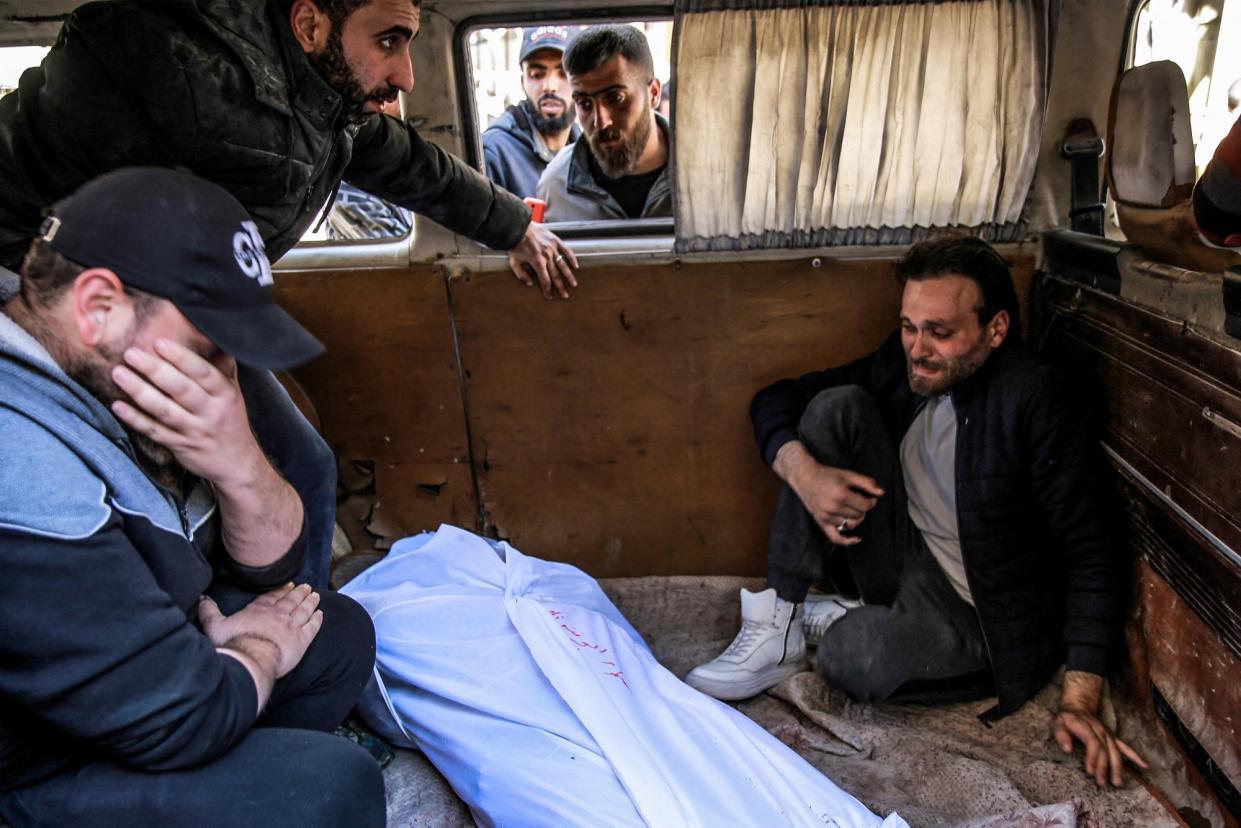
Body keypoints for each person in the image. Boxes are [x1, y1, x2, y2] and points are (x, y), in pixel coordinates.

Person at [686, 236, 1148, 788]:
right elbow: (776, 398)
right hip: (903, 552)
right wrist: (805, 476)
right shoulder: (903, 360)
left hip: (972, 612)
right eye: (909, 326)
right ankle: (781, 625)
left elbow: (1092, 550)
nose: (917, 348)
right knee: (835, 408)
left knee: (849, 656)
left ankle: (846, 619)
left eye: (940, 332)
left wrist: (1080, 698)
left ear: (995, 330)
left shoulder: (1035, 400)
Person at [0, 168, 384, 827]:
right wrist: (255, 651)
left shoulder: (107, 385)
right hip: (26, 761)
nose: (220, 378)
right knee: (326, 789)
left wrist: (239, 465)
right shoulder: (19, 458)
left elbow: (272, 572)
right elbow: (183, 715)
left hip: (119, 686)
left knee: (335, 630)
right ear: (96, 307)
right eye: (206, 349)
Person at [536, 25, 672, 222]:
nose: (601, 122)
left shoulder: (707, 172)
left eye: (616, 98)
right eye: (584, 103)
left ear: (653, 94)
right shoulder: (556, 185)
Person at [482, 25, 582, 200]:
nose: (550, 86)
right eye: (537, 74)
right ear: (523, 82)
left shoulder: (589, 151)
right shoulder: (494, 152)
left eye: (564, 74)